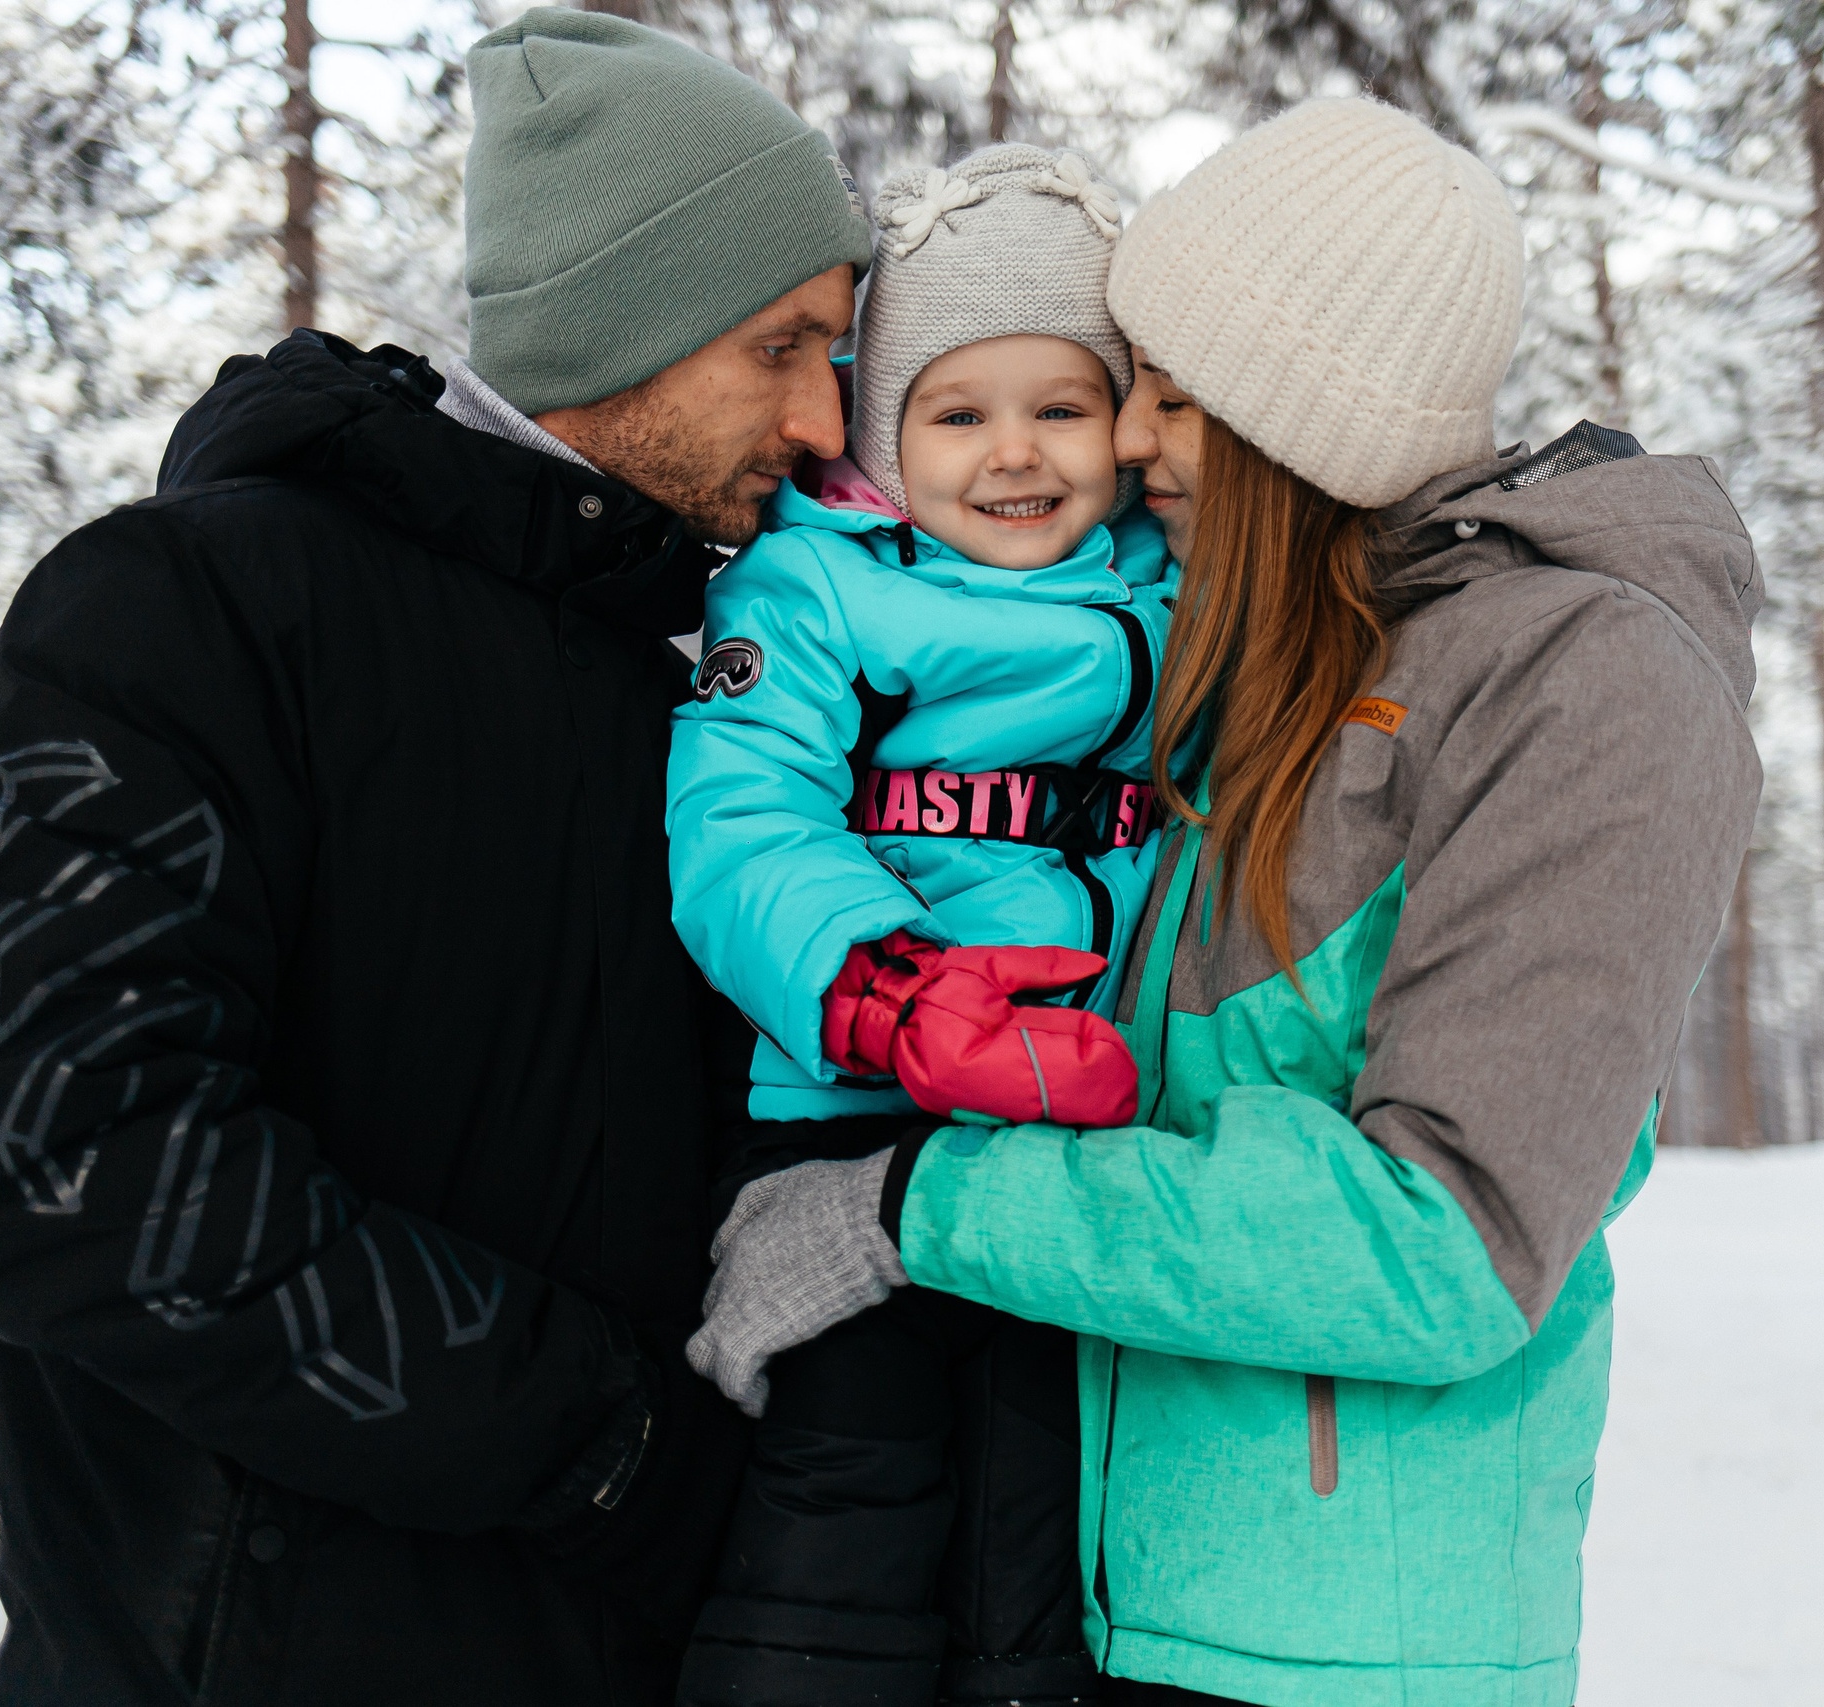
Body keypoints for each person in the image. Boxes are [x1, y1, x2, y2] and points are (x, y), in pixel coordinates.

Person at [687, 97, 1765, 1707]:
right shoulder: (1271, 659)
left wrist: (914, 1209)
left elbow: (1446, 1241)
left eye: (1169, 400)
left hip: (1345, 1653)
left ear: (1295, 421)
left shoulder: (1583, 679)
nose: (1121, 444)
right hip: (1120, 1609)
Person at [0, 12, 871, 1702]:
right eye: (780, 346)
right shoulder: (193, 608)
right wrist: (612, 1446)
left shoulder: (708, 698)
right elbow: (64, 1171)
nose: (822, 416)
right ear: (618, 323)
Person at [664, 145, 1171, 1707]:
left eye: (1061, 407)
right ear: (888, 425)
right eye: (959, 412)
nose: (1014, 455)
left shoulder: (1176, 589)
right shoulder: (814, 592)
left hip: (1076, 1132)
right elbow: (742, 814)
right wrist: (888, 990)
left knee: (1041, 1515)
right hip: (852, 1112)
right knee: (853, 1499)